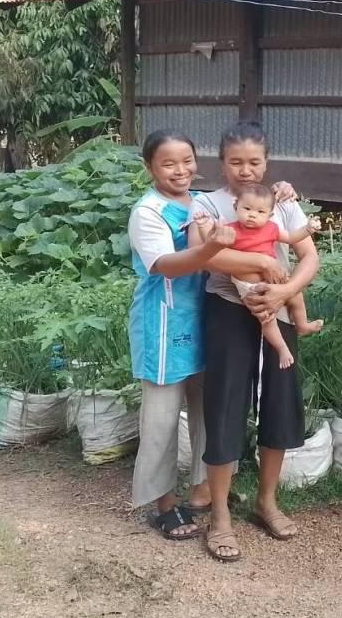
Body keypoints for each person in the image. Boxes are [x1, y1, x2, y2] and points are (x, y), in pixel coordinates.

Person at [192, 121, 321, 562]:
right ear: (221, 163)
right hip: (227, 311)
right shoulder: (207, 204)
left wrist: (286, 292)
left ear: (266, 163)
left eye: (254, 162)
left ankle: (267, 501)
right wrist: (261, 265)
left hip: (278, 309)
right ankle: (220, 515)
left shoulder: (281, 201)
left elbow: (309, 255)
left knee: (280, 402)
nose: (245, 170)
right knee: (225, 405)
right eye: (235, 162)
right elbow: (207, 255)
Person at [127, 130, 233, 540]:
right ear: (149, 167)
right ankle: (163, 505)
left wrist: (282, 192)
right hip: (164, 322)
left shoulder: (202, 202)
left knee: (210, 408)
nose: (180, 170)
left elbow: (250, 209)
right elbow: (164, 265)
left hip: (208, 318)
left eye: (187, 160)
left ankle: (204, 491)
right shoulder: (148, 211)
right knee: (161, 417)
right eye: (168, 163)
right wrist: (211, 249)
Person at [220, 180, 323, 368]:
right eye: (247, 209)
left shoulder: (271, 229)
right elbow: (218, 253)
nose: (252, 215)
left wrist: (308, 229)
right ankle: (282, 348)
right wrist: (208, 228)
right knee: (267, 318)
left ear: (270, 215)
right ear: (236, 207)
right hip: (250, 286)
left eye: (260, 212)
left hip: (274, 279)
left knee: (296, 295)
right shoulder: (231, 230)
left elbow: (291, 237)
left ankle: (302, 325)